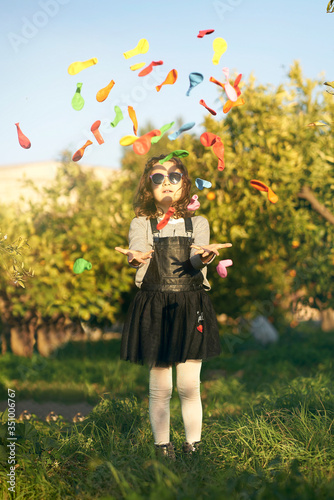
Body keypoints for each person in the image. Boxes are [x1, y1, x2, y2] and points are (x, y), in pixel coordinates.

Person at [115, 153, 232, 459]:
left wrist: (205, 257)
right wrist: (135, 257)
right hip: (154, 305)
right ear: (148, 186)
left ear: (184, 183)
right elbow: (138, 251)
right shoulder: (141, 223)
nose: (166, 182)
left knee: (189, 385)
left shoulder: (198, 223)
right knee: (160, 386)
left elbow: (195, 260)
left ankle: (194, 446)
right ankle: (162, 448)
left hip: (191, 304)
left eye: (174, 176)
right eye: (158, 177)